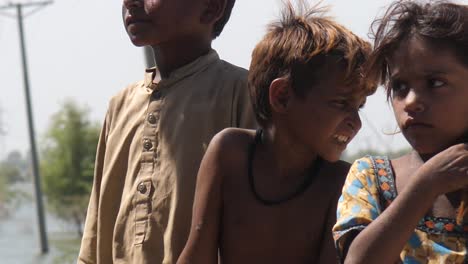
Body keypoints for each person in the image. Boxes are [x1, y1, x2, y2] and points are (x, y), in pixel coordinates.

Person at [176, 2, 376, 263]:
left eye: (358, 106)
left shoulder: (340, 182)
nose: (356, 123)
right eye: (341, 103)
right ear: (282, 97)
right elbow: (197, 255)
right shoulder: (230, 154)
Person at [77, 0, 255, 263]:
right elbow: (95, 241)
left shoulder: (244, 94)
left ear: (211, 8)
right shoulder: (120, 106)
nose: (131, 2)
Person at [332, 1, 468, 263]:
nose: (410, 101)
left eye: (435, 83)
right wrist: (426, 186)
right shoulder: (373, 178)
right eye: (400, 87)